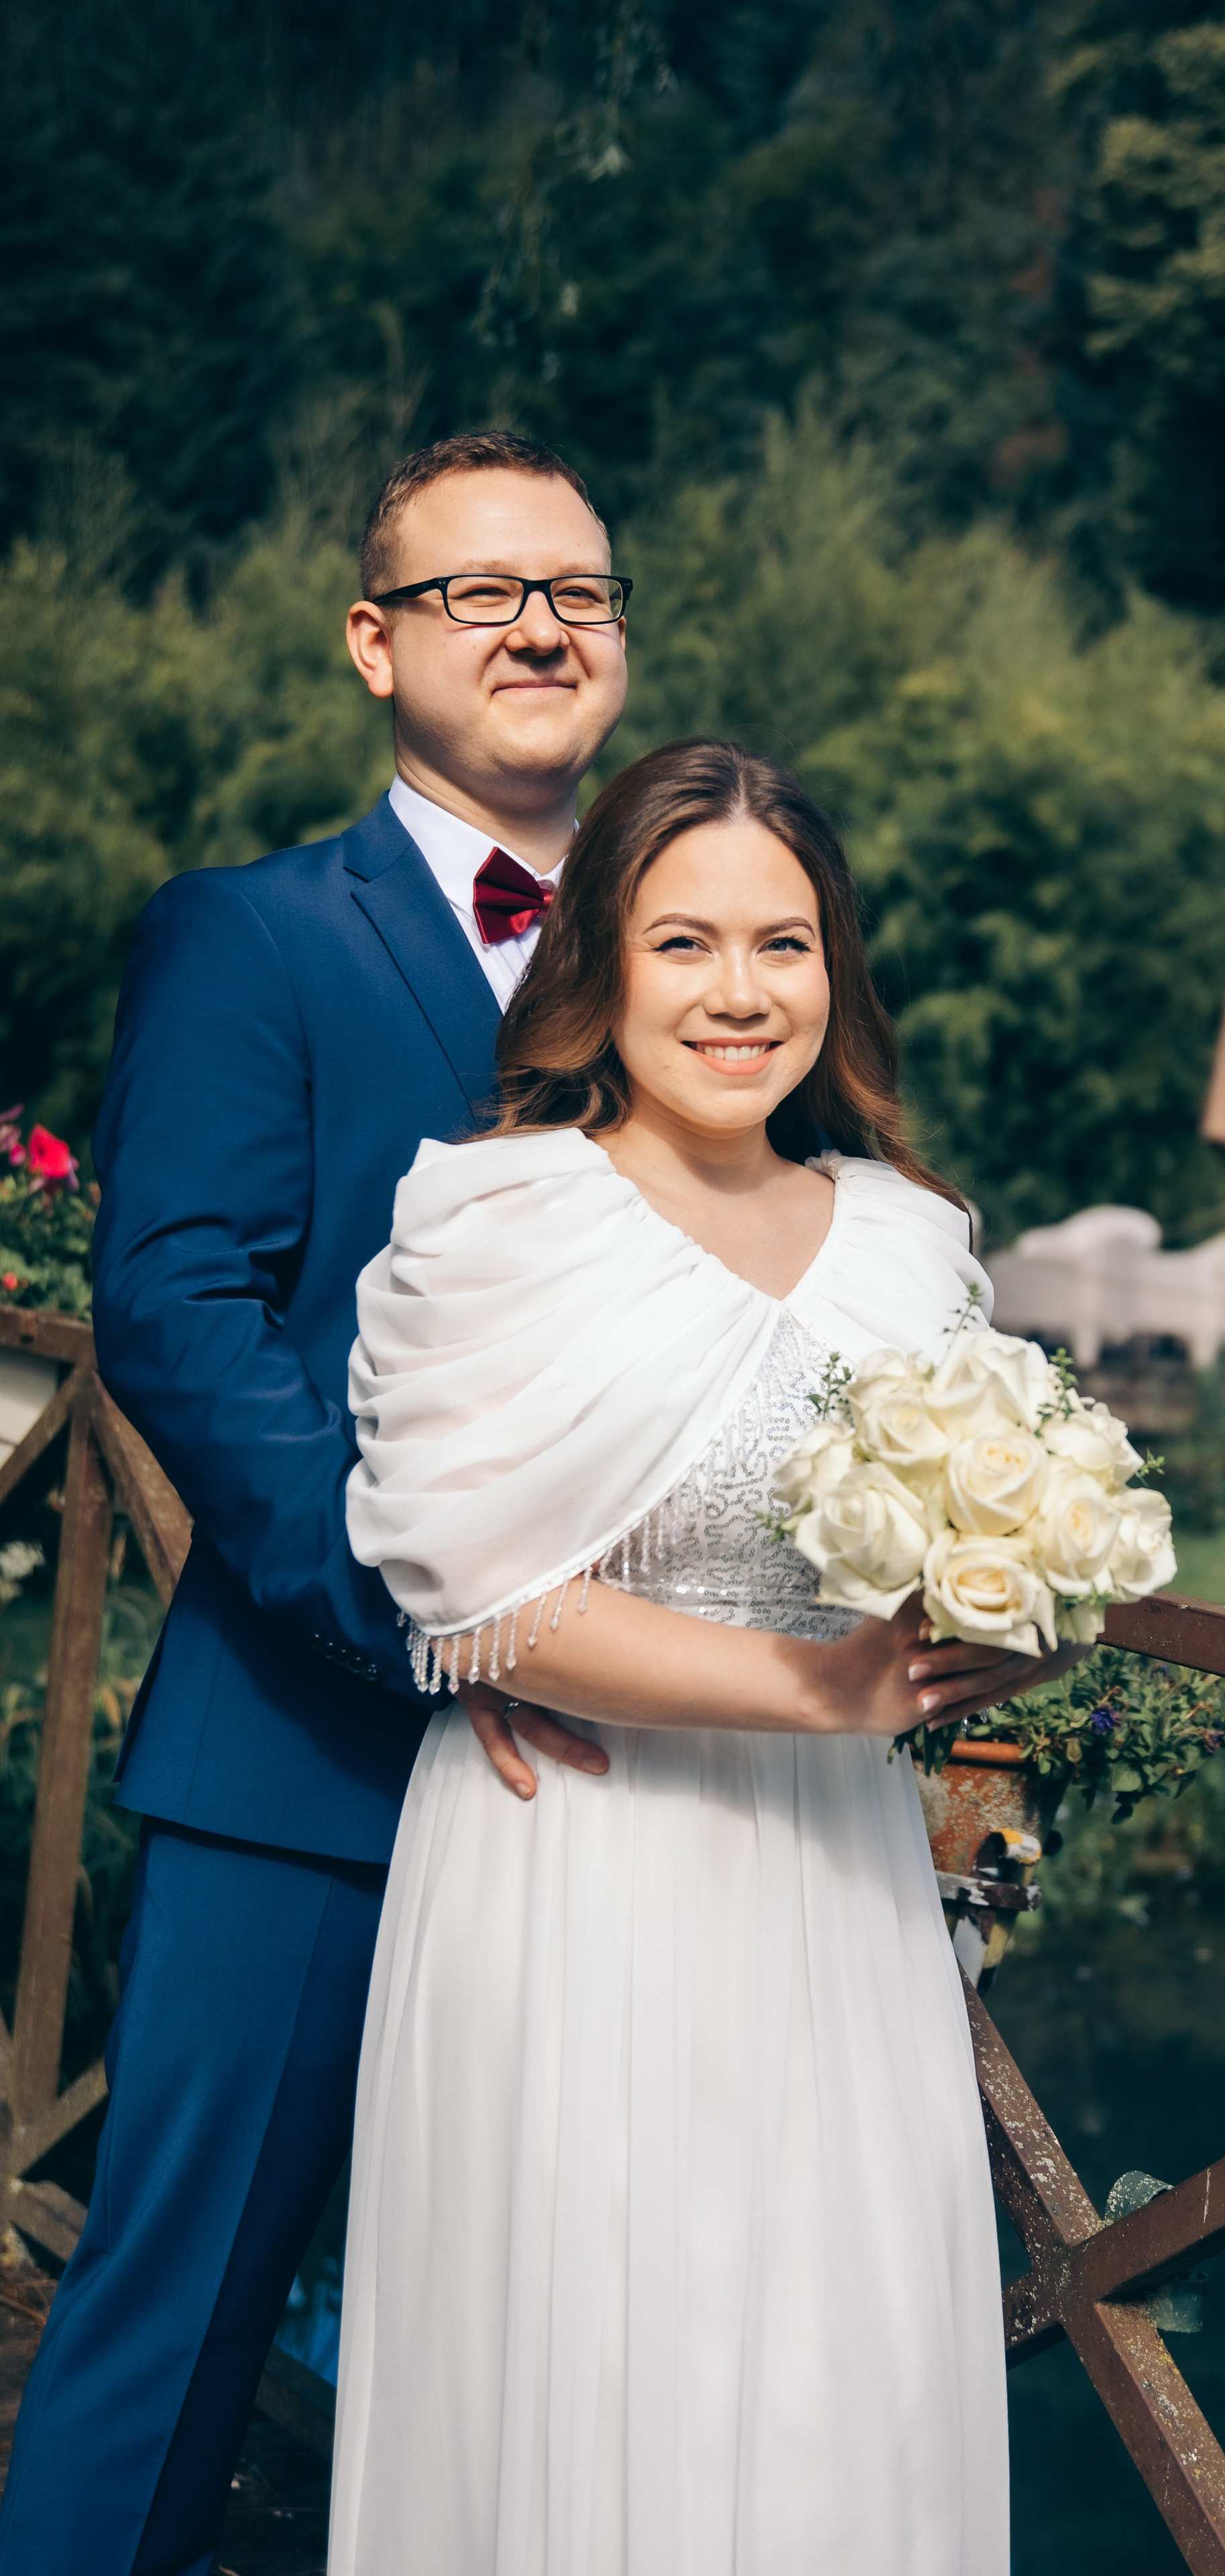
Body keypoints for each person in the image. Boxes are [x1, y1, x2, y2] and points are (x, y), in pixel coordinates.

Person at [329, 738, 1080, 2574]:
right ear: (597, 964)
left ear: (837, 971)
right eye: (685, 944)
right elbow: (472, 1596)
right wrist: (824, 1692)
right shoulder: (498, 1213)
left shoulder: (916, 1246)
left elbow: (974, 1542)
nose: (740, 995)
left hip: (838, 1898)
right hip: (580, 1871)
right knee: (596, 2359)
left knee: (838, 2374)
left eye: (785, 944)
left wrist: (1019, 1605)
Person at [0, 431, 624, 2576]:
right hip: (312, 1753)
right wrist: (423, 1615)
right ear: (375, 643)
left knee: (571, 2339)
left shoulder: (709, 953)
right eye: (481, 591)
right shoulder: (256, 934)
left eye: (583, 589)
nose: (543, 622)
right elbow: (173, 1307)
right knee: (177, 2322)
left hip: (637, 1783)